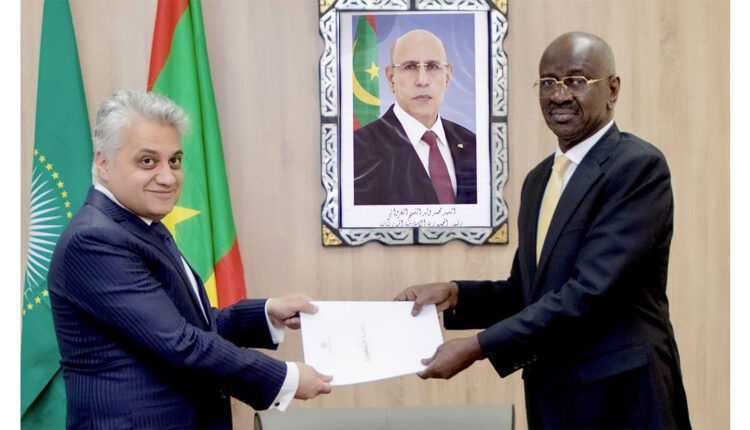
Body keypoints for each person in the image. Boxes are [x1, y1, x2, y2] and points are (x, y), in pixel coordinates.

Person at [396, 32, 691, 429]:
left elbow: (590, 292)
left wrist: (479, 346)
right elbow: (528, 292)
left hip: (622, 401)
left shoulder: (636, 167)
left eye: (576, 81)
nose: (559, 95)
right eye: (548, 82)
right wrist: (454, 294)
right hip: (555, 400)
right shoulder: (539, 180)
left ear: (612, 90)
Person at [48, 90, 332, 429]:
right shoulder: (95, 239)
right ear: (103, 163)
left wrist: (265, 314)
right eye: (147, 161)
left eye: (175, 161)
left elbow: (184, 325)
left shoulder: (140, 226)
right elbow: (179, 342)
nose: (168, 177)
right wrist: (287, 378)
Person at [353, 29, 476, 206]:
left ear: (447, 77)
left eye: (433, 66)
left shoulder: (473, 145)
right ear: (391, 78)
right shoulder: (358, 150)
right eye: (410, 67)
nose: (422, 81)